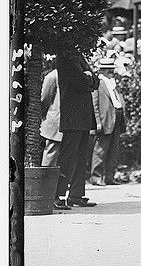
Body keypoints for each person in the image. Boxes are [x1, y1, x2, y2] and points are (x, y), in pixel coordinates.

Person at [55, 47, 101, 209]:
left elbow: (96, 81)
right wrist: (88, 77)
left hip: (82, 116)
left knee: (81, 157)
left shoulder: (77, 56)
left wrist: (89, 78)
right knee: (67, 158)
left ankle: (76, 195)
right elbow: (81, 82)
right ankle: (57, 195)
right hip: (72, 115)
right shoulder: (64, 58)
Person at [89, 58, 126, 186]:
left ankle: (109, 177)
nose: (111, 71)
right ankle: (96, 177)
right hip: (105, 119)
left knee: (114, 149)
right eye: (109, 69)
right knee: (101, 149)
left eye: (112, 69)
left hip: (117, 117)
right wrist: (97, 122)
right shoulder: (98, 83)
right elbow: (94, 104)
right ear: (103, 70)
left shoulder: (113, 82)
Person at [40, 57, 62, 167]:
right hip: (55, 119)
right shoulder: (53, 76)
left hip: (63, 120)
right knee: (51, 151)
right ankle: (45, 180)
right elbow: (45, 98)